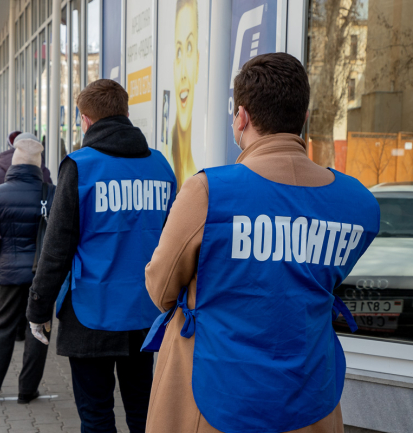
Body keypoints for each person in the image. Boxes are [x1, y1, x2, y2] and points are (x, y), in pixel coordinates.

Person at [144, 53, 381, 433]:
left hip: (214, 393)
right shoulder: (359, 203)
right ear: (304, 117)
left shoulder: (208, 192)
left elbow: (161, 289)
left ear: (241, 117)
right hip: (310, 394)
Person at [26, 79, 177, 432]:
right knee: (143, 411)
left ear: (85, 119)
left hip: (91, 311)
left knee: (96, 415)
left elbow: (57, 246)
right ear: (126, 112)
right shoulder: (160, 166)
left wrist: (38, 307)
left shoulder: (81, 166)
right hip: (144, 311)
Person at [0, 134, 56, 405]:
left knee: (3, 326)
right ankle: (27, 390)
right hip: (41, 275)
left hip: (8, 271)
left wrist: (2, 257)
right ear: (38, 164)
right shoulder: (50, 193)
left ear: (14, 163)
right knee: (38, 329)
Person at [169, 0, 199, 189]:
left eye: (189, 47)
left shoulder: (200, 181)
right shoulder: (163, 161)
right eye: (179, 51)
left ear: (198, 62)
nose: (183, 74)